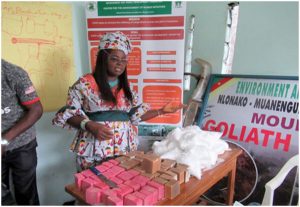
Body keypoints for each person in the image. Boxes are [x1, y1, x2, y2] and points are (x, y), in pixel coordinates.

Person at [52, 31, 184, 171]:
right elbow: (69, 114)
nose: (120, 64)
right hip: (94, 150)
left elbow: (133, 117)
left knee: (120, 186)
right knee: (92, 187)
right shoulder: (85, 84)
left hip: (123, 149)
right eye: (115, 59)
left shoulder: (126, 88)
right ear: (103, 58)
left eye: (123, 60)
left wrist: (161, 111)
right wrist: (90, 125)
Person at [1, 59, 43, 205]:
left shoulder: (12, 73)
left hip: (22, 145)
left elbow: (36, 110)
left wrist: (4, 140)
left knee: (26, 194)